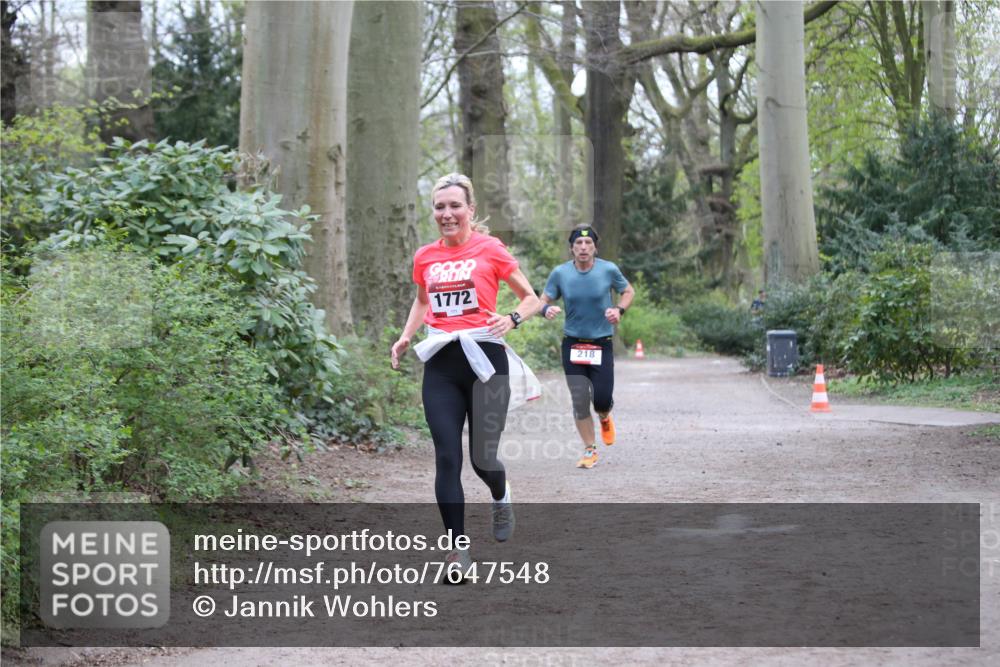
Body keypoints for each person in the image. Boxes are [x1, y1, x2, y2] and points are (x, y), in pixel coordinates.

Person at [391, 173, 539, 576]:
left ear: (470, 210)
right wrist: (405, 337)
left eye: (455, 206)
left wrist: (511, 319)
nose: (447, 213)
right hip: (442, 361)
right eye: (440, 207)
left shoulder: (490, 249)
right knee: (446, 457)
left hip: (487, 361)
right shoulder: (425, 256)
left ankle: (501, 493)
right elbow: (422, 301)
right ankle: (457, 552)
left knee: (482, 457)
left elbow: (531, 298)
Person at [539, 225, 634, 469]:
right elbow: (542, 300)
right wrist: (545, 309)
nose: (583, 248)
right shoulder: (560, 273)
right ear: (571, 248)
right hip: (573, 344)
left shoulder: (608, 269)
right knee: (580, 399)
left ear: (595, 247)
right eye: (578, 244)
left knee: (601, 400)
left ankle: (604, 415)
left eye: (588, 244)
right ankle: (590, 449)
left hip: (601, 343)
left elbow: (628, 291)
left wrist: (619, 310)